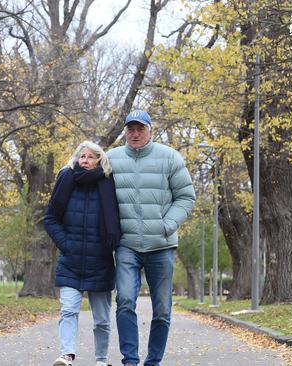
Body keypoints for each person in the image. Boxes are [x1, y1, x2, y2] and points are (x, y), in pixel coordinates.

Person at [107, 110, 196, 366]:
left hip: (162, 245)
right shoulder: (111, 159)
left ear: (150, 130)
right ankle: (130, 361)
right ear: (125, 131)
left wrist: (166, 225)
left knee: (162, 310)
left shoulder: (169, 157)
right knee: (124, 300)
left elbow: (186, 197)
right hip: (126, 245)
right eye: (130, 129)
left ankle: (153, 361)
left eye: (140, 129)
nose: (135, 134)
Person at [44, 140, 122, 366]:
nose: (85, 160)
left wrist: (108, 246)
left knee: (102, 320)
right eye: (82, 156)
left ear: (99, 160)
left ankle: (101, 360)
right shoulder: (66, 180)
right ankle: (66, 355)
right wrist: (66, 244)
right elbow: (50, 218)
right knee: (68, 311)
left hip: (101, 261)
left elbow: (117, 220)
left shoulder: (109, 184)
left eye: (90, 157)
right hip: (71, 260)